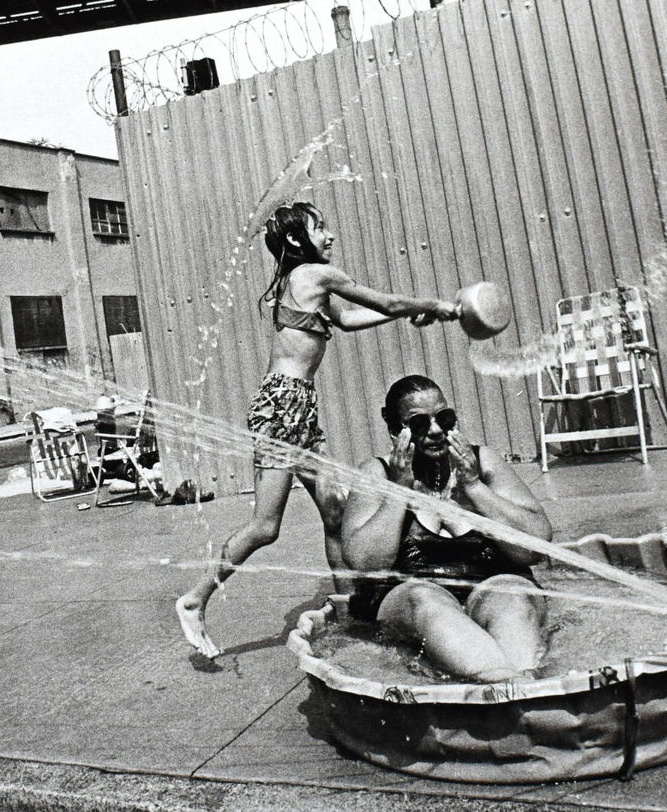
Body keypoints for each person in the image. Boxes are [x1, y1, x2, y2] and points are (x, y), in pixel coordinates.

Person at [175, 201, 461, 658]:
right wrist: (437, 306)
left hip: (299, 408)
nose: (330, 235)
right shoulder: (311, 274)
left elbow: (349, 320)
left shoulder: (308, 284)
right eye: (320, 227)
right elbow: (384, 300)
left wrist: (406, 314)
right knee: (266, 526)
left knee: (335, 513)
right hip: (282, 407)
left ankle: (354, 613)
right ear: (295, 239)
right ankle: (194, 599)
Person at [342, 374, 553, 682]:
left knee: (513, 596)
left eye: (444, 418)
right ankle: (504, 681)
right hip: (414, 599)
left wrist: (474, 486)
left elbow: (536, 546)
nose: (436, 430)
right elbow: (365, 564)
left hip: (491, 586)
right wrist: (400, 489)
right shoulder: (379, 474)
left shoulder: (482, 462)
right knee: (424, 599)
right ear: (394, 429)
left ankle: (524, 685)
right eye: (419, 424)